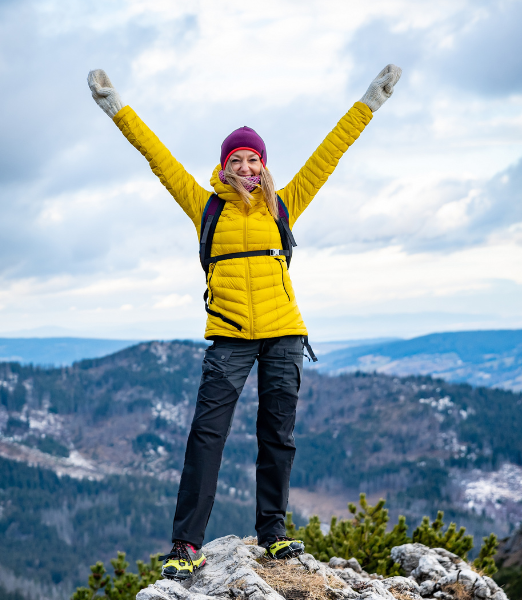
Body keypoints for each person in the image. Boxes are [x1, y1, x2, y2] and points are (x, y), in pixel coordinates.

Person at [86, 64, 402, 580]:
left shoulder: (284, 204)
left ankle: (273, 535)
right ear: (224, 166)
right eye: (238, 160)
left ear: (264, 164)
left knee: (278, 435)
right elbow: (157, 157)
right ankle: (186, 544)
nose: (248, 167)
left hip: (284, 333)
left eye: (255, 159)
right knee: (206, 435)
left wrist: (369, 101)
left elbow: (330, 153)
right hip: (229, 337)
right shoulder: (205, 206)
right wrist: (115, 105)